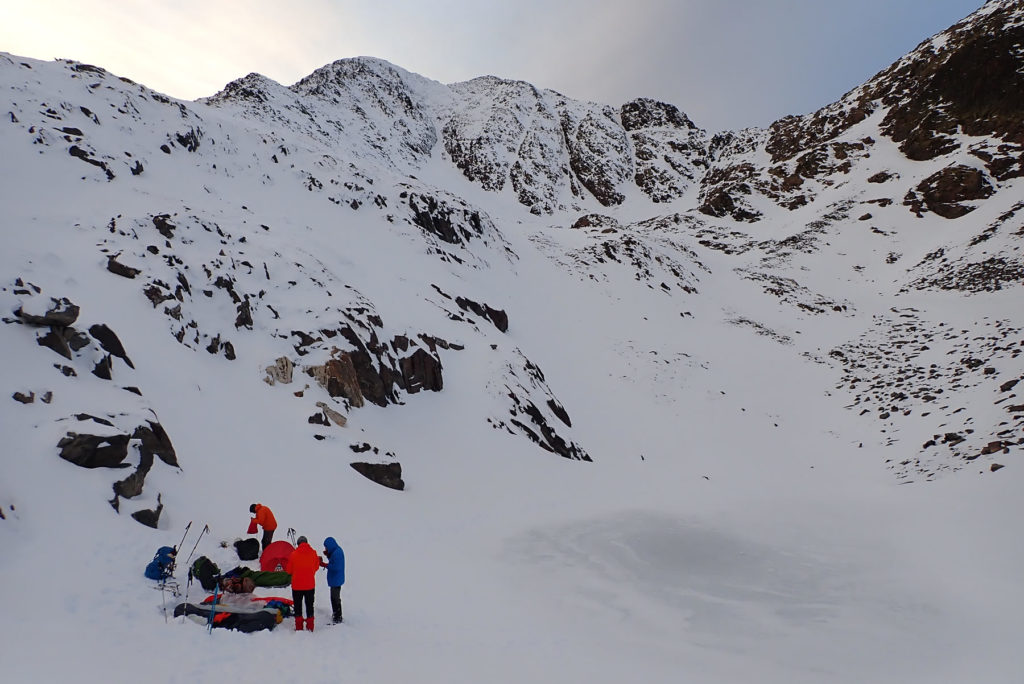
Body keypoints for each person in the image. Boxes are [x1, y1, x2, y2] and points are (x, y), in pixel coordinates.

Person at [286, 535, 321, 631]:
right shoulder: (313, 553)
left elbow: (288, 570)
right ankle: (310, 626)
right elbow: (316, 566)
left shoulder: (293, 554)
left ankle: (299, 627)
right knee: (310, 605)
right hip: (310, 585)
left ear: (298, 544)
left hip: (297, 586)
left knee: (298, 606)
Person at [321, 537, 346, 623]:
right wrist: (328, 555)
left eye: (326, 547)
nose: (325, 549)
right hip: (336, 579)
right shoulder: (335, 551)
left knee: (335, 598)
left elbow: (335, 567)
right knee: (334, 598)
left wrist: (325, 565)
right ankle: (336, 615)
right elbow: (333, 562)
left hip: (336, 580)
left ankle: (338, 616)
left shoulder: (337, 553)